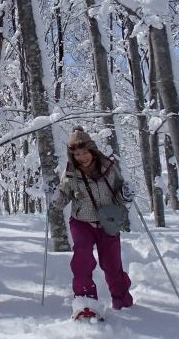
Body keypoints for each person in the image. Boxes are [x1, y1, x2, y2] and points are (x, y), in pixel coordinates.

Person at [53, 126, 134, 318]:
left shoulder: (109, 168)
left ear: (92, 150)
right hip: (82, 222)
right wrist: (54, 195)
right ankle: (85, 302)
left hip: (108, 222)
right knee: (82, 259)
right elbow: (62, 198)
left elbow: (120, 193)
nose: (82, 157)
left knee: (112, 265)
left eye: (84, 152)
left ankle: (122, 301)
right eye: (77, 154)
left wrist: (126, 194)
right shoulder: (71, 174)